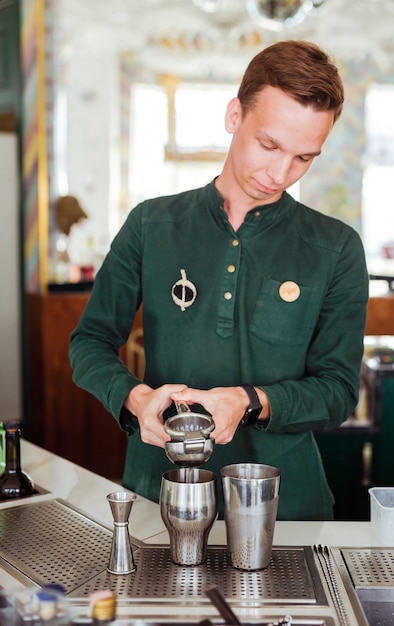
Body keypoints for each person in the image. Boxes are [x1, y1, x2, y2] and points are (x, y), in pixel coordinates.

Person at [69, 40, 369, 520]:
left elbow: (337, 391)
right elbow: (89, 343)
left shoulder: (336, 247)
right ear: (234, 116)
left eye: (303, 158)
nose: (279, 173)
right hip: (158, 499)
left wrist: (251, 402)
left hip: (286, 508)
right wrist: (136, 398)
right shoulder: (151, 224)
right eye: (268, 145)